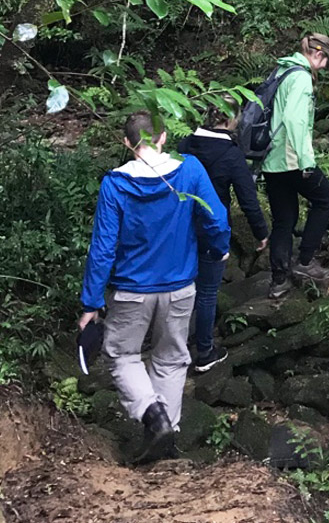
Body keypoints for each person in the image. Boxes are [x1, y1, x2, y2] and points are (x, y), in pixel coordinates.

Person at [79, 111, 230, 463]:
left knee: (122, 356)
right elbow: (216, 217)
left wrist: (91, 302)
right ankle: (167, 437)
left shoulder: (115, 185)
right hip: (179, 288)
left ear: (126, 143)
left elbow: (103, 248)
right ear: (163, 138)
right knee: (171, 360)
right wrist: (219, 247)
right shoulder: (189, 170)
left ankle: (152, 418)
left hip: (131, 291)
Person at [178, 98, 269, 373]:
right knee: (206, 293)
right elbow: (248, 200)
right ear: (230, 121)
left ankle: (174, 346)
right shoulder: (230, 155)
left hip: (180, 227)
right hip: (211, 228)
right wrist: (261, 233)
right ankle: (204, 351)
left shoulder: (183, 145)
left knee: (181, 288)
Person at [263, 33, 329, 299]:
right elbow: (294, 120)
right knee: (325, 198)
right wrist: (307, 162)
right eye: (327, 60)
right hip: (291, 159)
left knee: (284, 219)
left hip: (271, 160)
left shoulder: (282, 69)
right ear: (318, 54)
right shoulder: (302, 77)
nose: (326, 66)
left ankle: (278, 281)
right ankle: (306, 262)